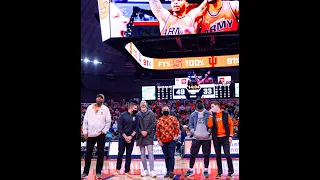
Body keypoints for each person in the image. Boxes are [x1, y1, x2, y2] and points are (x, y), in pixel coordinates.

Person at [81, 94, 112, 179]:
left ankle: (98, 172)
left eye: (101, 98)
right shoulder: (90, 108)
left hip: (101, 134)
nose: (99, 99)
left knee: (100, 154)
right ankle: (85, 172)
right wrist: (85, 132)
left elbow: (108, 121)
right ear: (96, 98)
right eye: (98, 97)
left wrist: (104, 131)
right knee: (88, 153)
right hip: (90, 134)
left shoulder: (105, 109)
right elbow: (85, 121)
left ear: (103, 100)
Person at [184, 99, 211, 178]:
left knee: (206, 155)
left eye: (200, 103)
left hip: (206, 138)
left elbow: (211, 124)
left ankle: (205, 170)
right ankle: (190, 169)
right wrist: (193, 132)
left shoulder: (208, 113)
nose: (199, 104)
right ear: (196, 105)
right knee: (193, 154)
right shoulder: (193, 114)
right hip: (196, 138)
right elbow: (190, 125)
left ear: (203, 104)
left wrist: (209, 132)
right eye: (198, 103)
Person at [207, 101, 234, 179]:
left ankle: (230, 172)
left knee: (227, 154)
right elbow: (210, 125)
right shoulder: (213, 115)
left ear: (217, 106)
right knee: (218, 155)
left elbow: (231, 124)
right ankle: (219, 172)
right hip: (216, 138)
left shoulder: (225, 114)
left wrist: (231, 136)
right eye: (211, 107)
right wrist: (211, 115)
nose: (211, 108)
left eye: (212, 106)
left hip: (225, 137)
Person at [114, 102, 140, 178]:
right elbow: (119, 127)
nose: (136, 110)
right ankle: (117, 168)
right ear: (130, 108)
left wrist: (131, 136)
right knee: (120, 153)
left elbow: (137, 128)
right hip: (122, 138)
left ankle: (127, 170)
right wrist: (125, 137)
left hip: (131, 138)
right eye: (135, 108)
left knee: (129, 154)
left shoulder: (136, 116)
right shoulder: (122, 115)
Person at [155, 106, 180, 178]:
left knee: (171, 155)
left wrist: (176, 136)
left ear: (169, 111)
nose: (166, 111)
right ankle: (168, 171)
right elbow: (157, 132)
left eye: (167, 110)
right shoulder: (159, 120)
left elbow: (177, 128)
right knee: (166, 156)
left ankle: (171, 171)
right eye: (164, 110)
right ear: (162, 112)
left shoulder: (173, 118)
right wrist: (159, 141)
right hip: (163, 141)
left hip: (172, 140)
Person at [136, 100, 157, 177]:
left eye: (144, 103)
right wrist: (141, 131)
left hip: (149, 136)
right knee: (142, 154)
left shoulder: (151, 113)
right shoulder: (137, 114)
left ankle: (152, 170)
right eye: (142, 103)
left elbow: (153, 124)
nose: (143, 104)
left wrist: (147, 131)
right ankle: (145, 170)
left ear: (147, 105)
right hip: (140, 136)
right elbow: (136, 125)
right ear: (140, 105)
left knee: (150, 153)